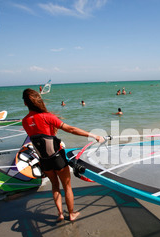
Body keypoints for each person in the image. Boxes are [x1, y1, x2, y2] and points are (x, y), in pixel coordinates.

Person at [22, 88, 104, 222]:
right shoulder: (47, 117)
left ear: (25, 104)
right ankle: (71, 214)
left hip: (44, 160)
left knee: (55, 186)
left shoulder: (25, 121)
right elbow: (71, 129)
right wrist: (93, 135)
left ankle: (60, 214)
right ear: (39, 101)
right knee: (67, 186)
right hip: (57, 157)